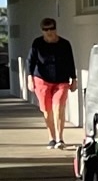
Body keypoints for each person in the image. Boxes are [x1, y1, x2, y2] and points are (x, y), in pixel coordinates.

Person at [26, 18, 76, 149]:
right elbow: (30, 61)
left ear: (55, 28)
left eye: (51, 29)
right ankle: (51, 138)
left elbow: (70, 62)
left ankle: (60, 138)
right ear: (42, 30)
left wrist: (74, 79)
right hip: (42, 80)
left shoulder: (65, 44)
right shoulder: (37, 43)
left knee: (58, 107)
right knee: (47, 110)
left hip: (61, 80)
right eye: (45, 29)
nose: (49, 32)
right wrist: (30, 78)